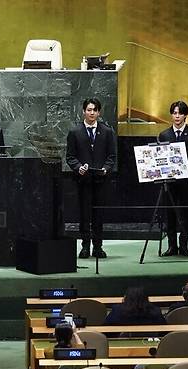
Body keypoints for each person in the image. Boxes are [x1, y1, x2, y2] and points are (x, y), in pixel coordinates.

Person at [66, 97, 116, 259]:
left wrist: (106, 169)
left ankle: (98, 247)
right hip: (83, 181)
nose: (92, 113)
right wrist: (78, 167)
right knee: (84, 215)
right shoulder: (75, 132)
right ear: (83, 111)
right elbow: (70, 156)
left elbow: (111, 156)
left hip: (101, 181)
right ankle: (85, 246)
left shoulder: (107, 131)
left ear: (99, 112)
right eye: (89, 110)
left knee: (98, 215)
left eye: (94, 110)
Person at [158, 101, 188, 257]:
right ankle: (171, 246)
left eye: (180, 113)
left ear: (185, 115)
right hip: (169, 182)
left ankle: (184, 245)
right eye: (174, 113)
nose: (177, 116)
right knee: (169, 214)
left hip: (185, 181)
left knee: (184, 213)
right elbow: (160, 157)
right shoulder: (164, 134)